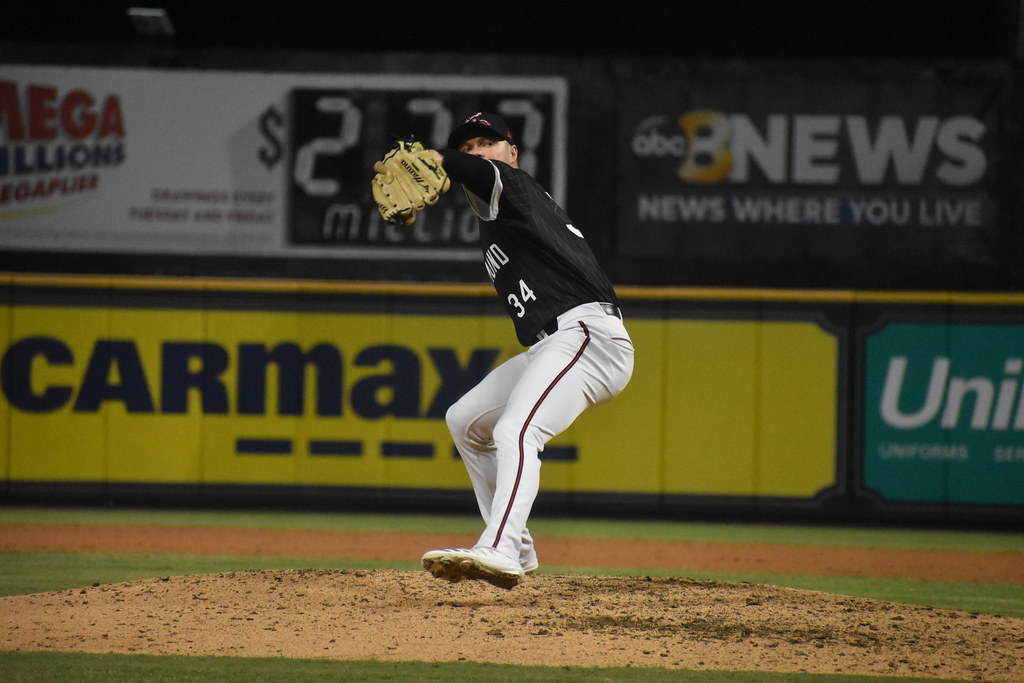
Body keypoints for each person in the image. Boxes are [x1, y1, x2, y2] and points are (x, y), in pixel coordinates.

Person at [414, 112, 635, 589]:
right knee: (464, 420)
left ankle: (499, 547)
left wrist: (438, 157)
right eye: (467, 147)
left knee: (517, 429)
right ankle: (521, 546)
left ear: (511, 153)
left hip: (589, 336)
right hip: (554, 342)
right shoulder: (497, 211)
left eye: (486, 143)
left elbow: (480, 173)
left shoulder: (510, 185)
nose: (476, 153)